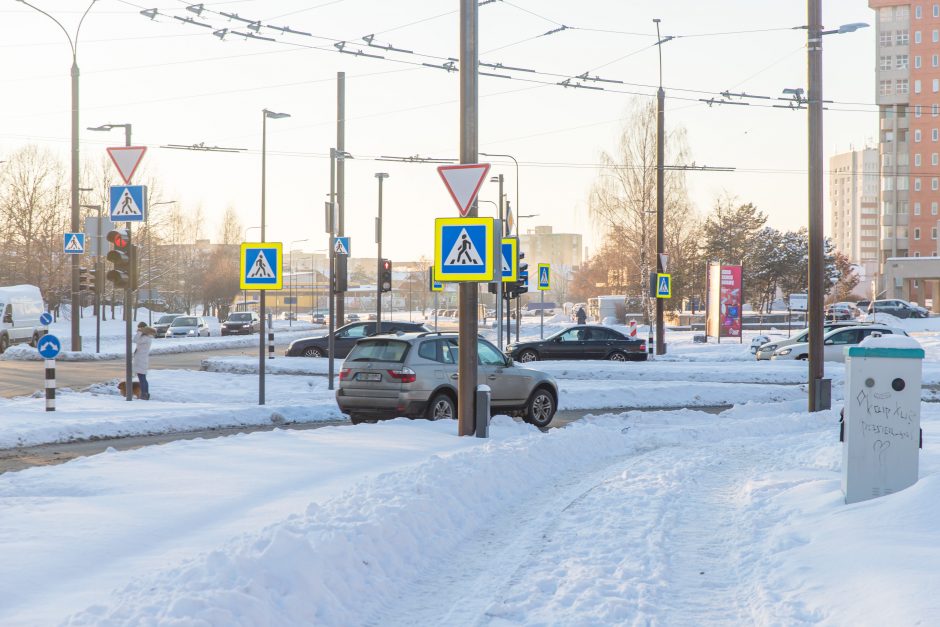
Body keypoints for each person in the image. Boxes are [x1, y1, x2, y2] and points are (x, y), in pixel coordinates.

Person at [133, 321, 156, 400]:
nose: (138, 330)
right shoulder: (146, 337)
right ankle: (145, 393)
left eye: (140, 329)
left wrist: (139, 332)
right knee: (142, 377)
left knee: (142, 378)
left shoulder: (146, 338)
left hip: (141, 360)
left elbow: (135, 340)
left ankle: (144, 394)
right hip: (141, 359)